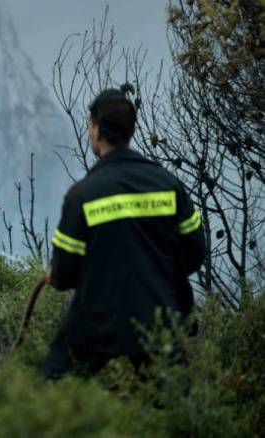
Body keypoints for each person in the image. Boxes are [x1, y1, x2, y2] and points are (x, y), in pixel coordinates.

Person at [44, 89, 206, 379]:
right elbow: (195, 252)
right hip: (163, 323)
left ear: (95, 128)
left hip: (99, 328)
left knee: (54, 384)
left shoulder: (83, 195)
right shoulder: (169, 185)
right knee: (171, 405)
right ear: (130, 130)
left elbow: (64, 273)